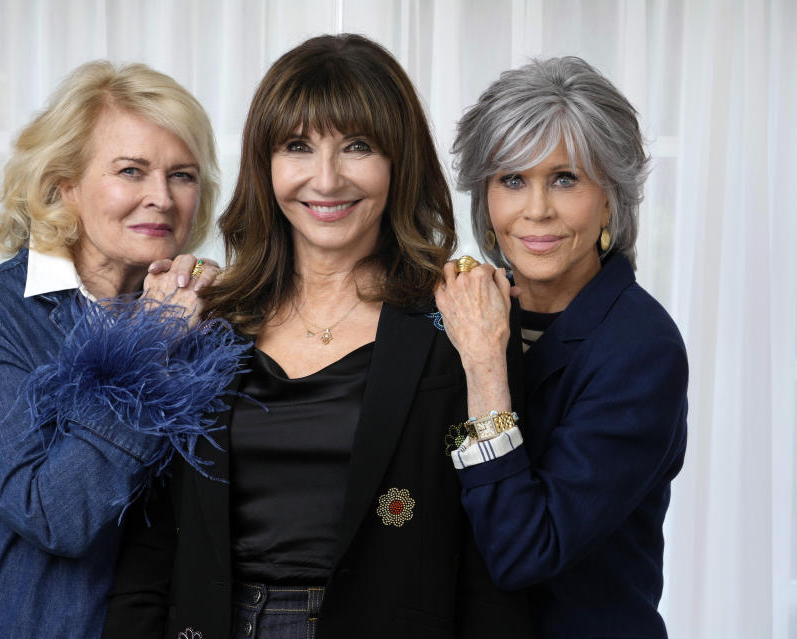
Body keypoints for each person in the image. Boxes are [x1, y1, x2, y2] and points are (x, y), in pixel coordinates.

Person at [103, 34, 533, 638]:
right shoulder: (207, 317)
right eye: (297, 146)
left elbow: (491, 561)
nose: (325, 180)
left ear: (398, 162)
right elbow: (151, 541)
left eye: (357, 146)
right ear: (265, 164)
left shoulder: (462, 316)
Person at [0, 61, 246, 639]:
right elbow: (54, 514)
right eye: (131, 171)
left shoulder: (207, 316)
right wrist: (152, 339)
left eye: (182, 175)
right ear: (65, 185)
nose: (161, 198)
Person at [436, 56, 688, 638]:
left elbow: (527, 549)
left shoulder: (642, 348)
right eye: (513, 179)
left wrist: (483, 365)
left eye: (566, 179)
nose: (537, 210)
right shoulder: (467, 307)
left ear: (610, 197)